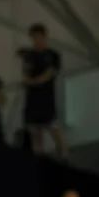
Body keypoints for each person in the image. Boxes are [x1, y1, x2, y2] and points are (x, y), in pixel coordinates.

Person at [18, 23, 64, 156]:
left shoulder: (52, 55)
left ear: (44, 37)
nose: (36, 40)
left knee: (54, 128)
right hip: (32, 99)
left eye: (38, 37)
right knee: (35, 133)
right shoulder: (29, 56)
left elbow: (49, 74)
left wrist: (34, 81)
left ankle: (64, 155)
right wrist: (30, 81)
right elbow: (25, 75)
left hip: (47, 98)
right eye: (34, 37)